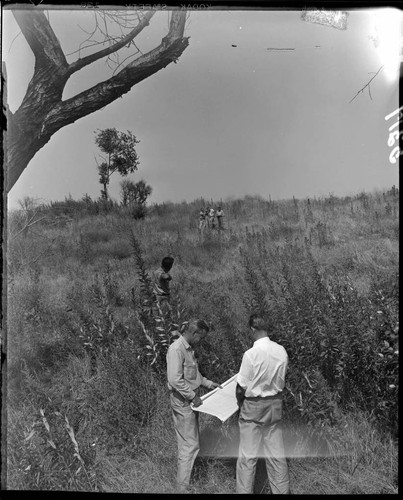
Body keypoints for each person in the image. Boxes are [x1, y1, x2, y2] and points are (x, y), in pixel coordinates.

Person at [236, 314, 290, 494]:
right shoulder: (281, 350)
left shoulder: (251, 354)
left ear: (252, 329)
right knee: (276, 456)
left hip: (253, 406)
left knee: (247, 458)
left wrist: (239, 405)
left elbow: (240, 387)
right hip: (274, 404)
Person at [166, 319, 222, 492]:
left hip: (188, 401)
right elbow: (174, 379)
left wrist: (209, 383)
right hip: (184, 402)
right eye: (201, 337)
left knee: (187, 444)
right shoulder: (177, 349)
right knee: (190, 446)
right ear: (195, 333)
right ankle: (182, 488)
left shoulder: (189, 350)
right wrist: (192, 396)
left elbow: (193, 375)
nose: (201, 341)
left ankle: (182, 485)